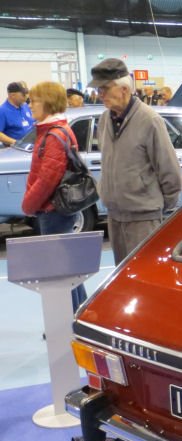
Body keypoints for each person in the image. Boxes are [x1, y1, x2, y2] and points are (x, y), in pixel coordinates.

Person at [90, 58, 182, 264]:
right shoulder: (105, 120)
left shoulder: (149, 120)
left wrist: (157, 206)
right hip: (114, 214)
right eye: (98, 89)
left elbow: (169, 169)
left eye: (104, 88)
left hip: (143, 216)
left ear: (124, 89)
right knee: (121, 275)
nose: (100, 94)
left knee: (144, 271)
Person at [21, 81, 87, 311]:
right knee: (68, 270)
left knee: (60, 273)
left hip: (52, 211)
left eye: (33, 101)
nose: (30, 105)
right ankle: (77, 314)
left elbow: (47, 179)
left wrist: (28, 205)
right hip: (57, 210)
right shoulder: (56, 131)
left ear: (47, 102)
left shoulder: (53, 134)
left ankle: (66, 318)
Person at [0, 82, 34, 146]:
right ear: (12, 95)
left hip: (31, 145)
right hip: (16, 148)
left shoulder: (25, 106)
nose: (26, 97)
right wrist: (16, 143)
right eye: (23, 95)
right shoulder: (2, 111)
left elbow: (33, 121)